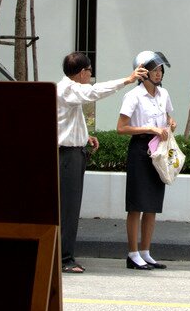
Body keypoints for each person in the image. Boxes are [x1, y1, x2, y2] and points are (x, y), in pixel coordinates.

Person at [56, 53, 148, 273]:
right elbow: (95, 92)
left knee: (69, 206)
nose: (91, 75)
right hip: (67, 156)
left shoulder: (68, 90)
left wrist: (84, 136)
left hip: (73, 152)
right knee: (68, 208)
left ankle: (63, 256)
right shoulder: (69, 89)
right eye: (89, 71)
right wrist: (127, 80)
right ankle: (64, 259)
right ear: (81, 72)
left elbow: (64, 121)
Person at [116, 50, 177, 270]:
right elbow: (121, 128)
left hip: (158, 150)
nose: (158, 73)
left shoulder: (164, 94)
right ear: (143, 73)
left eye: (160, 69)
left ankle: (145, 251)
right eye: (154, 69)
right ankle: (132, 254)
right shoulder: (133, 96)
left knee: (151, 204)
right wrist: (149, 128)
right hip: (140, 149)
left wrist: (170, 124)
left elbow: (170, 116)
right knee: (136, 205)